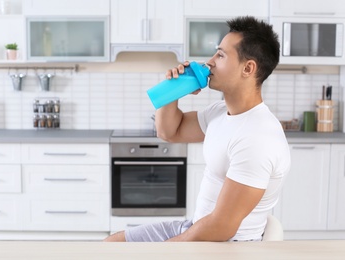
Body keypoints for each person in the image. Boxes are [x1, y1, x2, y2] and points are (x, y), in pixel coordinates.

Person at [104, 16, 291, 242]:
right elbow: (170, 132)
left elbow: (222, 227)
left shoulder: (257, 137)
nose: (209, 62)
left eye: (221, 55)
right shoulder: (221, 112)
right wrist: (173, 90)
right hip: (197, 228)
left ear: (248, 68)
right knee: (112, 244)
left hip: (227, 245)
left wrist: (164, 250)